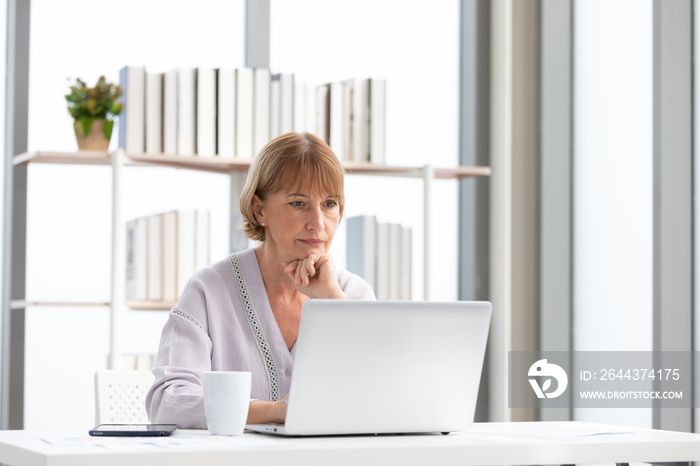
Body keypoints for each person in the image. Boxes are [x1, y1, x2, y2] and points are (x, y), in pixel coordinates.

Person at [145, 132, 376, 429]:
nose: (318, 223)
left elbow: (376, 395)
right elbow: (167, 401)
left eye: (329, 204)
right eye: (298, 203)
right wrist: (276, 411)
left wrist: (334, 304)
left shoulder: (353, 294)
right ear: (259, 209)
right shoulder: (209, 290)